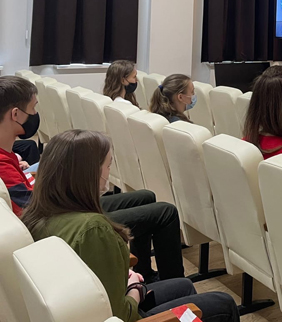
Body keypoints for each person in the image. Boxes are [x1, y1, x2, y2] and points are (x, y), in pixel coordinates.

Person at [21, 130, 239, 322]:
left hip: (85, 309)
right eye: (108, 166)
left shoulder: (38, 214)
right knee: (223, 303)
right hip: (126, 315)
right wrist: (134, 288)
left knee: (182, 286)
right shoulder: (93, 229)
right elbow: (121, 314)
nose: (109, 172)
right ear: (91, 174)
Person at [0, 77, 184, 283]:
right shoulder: (2, 162)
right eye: (33, 108)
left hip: (58, 208)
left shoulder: (8, 154)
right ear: (15, 114)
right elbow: (30, 207)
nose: (35, 114)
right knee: (166, 212)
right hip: (58, 218)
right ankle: (174, 283)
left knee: (146, 196)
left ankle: (146, 273)